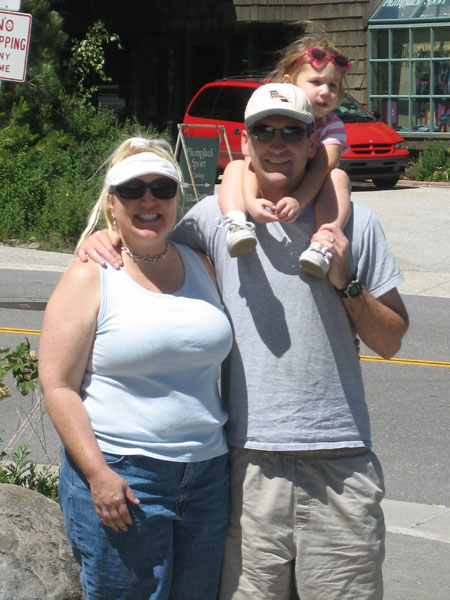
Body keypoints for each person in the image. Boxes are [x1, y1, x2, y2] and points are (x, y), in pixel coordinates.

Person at [78, 85, 409, 599]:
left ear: (312, 141)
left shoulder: (352, 224)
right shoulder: (213, 220)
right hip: (245, 467)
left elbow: (390, 340)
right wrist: (105, 237)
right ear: (245, 141)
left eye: (292, 132)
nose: (277, 143)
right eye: (264, 131)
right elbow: (149, 243)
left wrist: (346, 281)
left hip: (341, 463)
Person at [38, 136, 233, 600]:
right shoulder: (91, 274)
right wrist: (98, 475)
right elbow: (58, 384)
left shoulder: (203, 264)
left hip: (207, 475)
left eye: (161, 188)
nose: (148, 200)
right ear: (112, 203)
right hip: (123, 474)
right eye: (132, 190)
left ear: (177, 198)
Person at [217, 33, 352, 279]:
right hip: (270, 188)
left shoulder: (332, 125)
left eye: (333, 85)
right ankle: (236, 222)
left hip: (312, 188)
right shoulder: (266, 105)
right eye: (316, 82)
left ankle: (324, 239)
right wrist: (250, 201)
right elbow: (250, 162)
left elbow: (321, 168)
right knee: (235, 167)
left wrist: (297, 200)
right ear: (289, 82)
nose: (326, 91)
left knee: (338, 177)